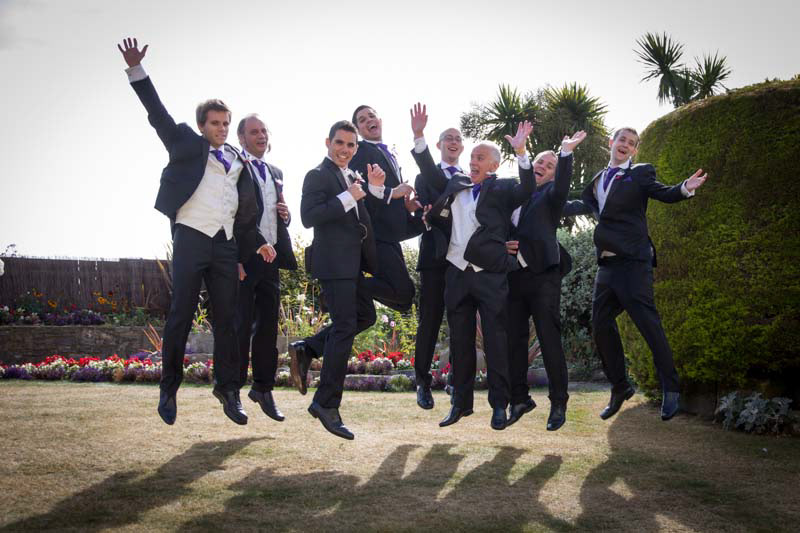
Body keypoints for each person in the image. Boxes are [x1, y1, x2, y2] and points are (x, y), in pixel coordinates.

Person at [117, 38, 274, 426]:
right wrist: (137, 71)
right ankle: (169, 387)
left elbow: (243, 212)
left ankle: (228, 390)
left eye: (225, 123)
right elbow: (159, 115)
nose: (221, 129)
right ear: (203, 125)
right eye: (215, 123)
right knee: (181, 316)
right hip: (190, 237)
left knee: (229, 321)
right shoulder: (187, 143)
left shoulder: (238, 159)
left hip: (225, 245)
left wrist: (256, 244)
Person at [564, 127, 707, 421]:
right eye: (622, 140)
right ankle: (620, 387)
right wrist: (544, 202)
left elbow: (663, 192)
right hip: (607, 266)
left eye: (631, 143)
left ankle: (672, 388)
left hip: (633, 264)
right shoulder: (597, 180)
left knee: (648, 326)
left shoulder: (640, 173)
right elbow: (583, 205)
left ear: (634, 150)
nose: (625, 145)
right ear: (611, 142)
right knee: (600, 326)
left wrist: (684, 187)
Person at [425, 118, 535, 430]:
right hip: (457, 273)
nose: (473, 161)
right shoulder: (456, 184)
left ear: (494, 165)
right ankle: (460, 403)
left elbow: (528, 188)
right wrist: (419, 138)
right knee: (460, 343)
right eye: (472, 156)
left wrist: (522, 152)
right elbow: (430, 174)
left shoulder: (503, 188)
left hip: (489, 275)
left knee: (496, 342)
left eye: (480, 157)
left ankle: (499, 405)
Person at [288, 120, 380, 440]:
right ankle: (326, 403)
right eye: (340, 143)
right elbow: (308, 216)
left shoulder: (350, 176)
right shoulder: (317, 175)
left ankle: (308, 348)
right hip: (333, 263)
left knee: (366, 316)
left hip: (353, 265)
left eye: (351, 145)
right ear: (328, 143)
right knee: (344, 327)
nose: (345, 149)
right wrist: (347, 196)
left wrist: (366, 191)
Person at [504, 131, 586, 431]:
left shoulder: (552, 195)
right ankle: (519, 400)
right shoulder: (512, 193)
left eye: (550, 165)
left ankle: (558, 402)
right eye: (540, 161)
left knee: (549, 340)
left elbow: (563, 184)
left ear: (552, 175)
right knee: (514, 341)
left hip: (543, 276)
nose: (543, 166)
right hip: (513, 277)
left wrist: (565, 153)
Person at [235, 114, 297, 422]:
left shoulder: (275, 171)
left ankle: (263, 388)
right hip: (245, 259)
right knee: (240, 327)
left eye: (264, 131)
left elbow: (276, 214)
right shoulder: (234, 167)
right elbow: (232, 214)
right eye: (253, 132)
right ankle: (231, 390)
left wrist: (286, 215)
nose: (261, 136)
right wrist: (235, 258)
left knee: (268, 329)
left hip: (271, 259)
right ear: (241, 138)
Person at [408, 103, 465, 410]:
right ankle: (422, 382)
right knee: (429, 322)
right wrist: (426, 213)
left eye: (458, 138)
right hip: (433, 259)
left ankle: (456, 381)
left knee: (460, 322)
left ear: (462, 147)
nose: (453, 142)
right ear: (439, 145)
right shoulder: (425, 177)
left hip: (463, 261)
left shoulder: (470, 178)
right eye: (448, 138)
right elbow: (423, 212)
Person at [349, 105, 424, 312]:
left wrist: (406, 207)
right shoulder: (360, 150)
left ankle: (351, 291)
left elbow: (389, 197)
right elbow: (358, 186)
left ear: (380, 120)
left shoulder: (387, 151)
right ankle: (343, 286)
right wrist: (393, 192)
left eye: (371, 116)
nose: (368, 120)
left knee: (404, 300)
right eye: (362, 120)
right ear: (358, 130)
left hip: (391, 235)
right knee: (403, 292)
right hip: (376, 235)